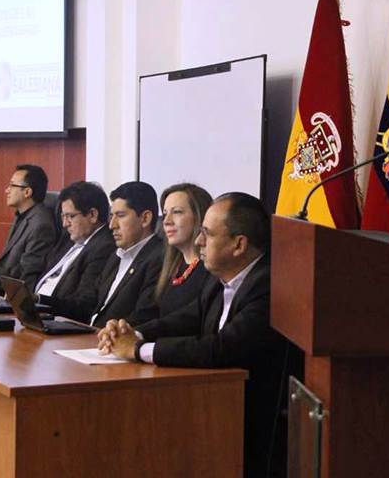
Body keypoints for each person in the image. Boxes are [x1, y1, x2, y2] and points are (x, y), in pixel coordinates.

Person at [98, 192, 287, 477]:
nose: (199, 242)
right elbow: (185, 318)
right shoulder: (220, 278)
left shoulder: (268, 286)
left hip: (251, 426)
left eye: (208, 234)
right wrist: (130, 331)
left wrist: (137, 350)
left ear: (239, 244)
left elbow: (219, 349)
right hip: (215, 407)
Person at [44, 181, 163, 327]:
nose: (112, 224)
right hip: (87, 337)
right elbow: (84, 304)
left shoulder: (159, 258)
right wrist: (38, 301)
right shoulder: (117, 255)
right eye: (111, 216)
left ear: (145, 218)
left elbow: (143, 317)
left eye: (120, 215)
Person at [129, 183, 213, 325]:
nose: (166, 221)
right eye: (165, 213)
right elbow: (149, 313)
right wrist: (121, 327)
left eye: (177, 212)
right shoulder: (166, 265)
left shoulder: (212, 270)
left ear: (200, 216)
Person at [32, 181, 116, 305]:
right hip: (34, 308)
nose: (65, 224)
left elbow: (82, 303)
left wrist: (39, 299)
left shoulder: (104, 247)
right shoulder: (68, 238)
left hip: (54, 315)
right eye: (63, 217)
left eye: (70, 216)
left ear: (93, 215)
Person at [0, 164, 56, 292]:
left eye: (12, 185)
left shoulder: (41, 225)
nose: (7, 190)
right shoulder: (22, 215)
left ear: (27, 192)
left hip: (12, 292)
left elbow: (24, 272)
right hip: (1, 283)